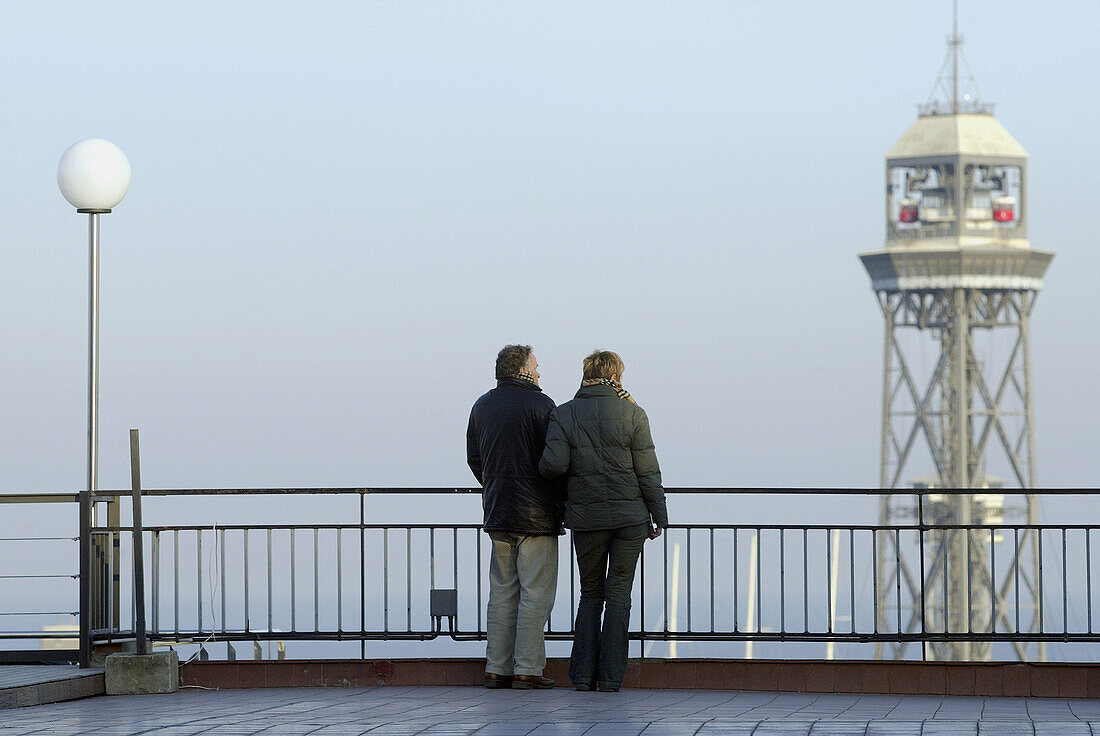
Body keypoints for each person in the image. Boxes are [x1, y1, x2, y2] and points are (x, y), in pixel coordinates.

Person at [539, 350, 667, 693]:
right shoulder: (634, 413)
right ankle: (611, 678)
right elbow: (648, 471)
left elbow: (551, 466)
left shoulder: (564, 414)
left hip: (587, 517)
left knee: (590, 593)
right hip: (631, 519)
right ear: (618, 377)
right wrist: (659, 516)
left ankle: (581, 675)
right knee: (619, 595)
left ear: (586, 374)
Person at [467, 344, 563, 689]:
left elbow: (474, 459)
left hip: (498, 511)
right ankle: (528, 668)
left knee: (502, 592)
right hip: (537, 516)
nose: (539, 372)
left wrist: (495, 486)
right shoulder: (542, 405)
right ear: (523, 369)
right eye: (536, 366)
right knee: (536, 593)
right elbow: (556, 462)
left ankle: (496, 668)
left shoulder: (482, 406)